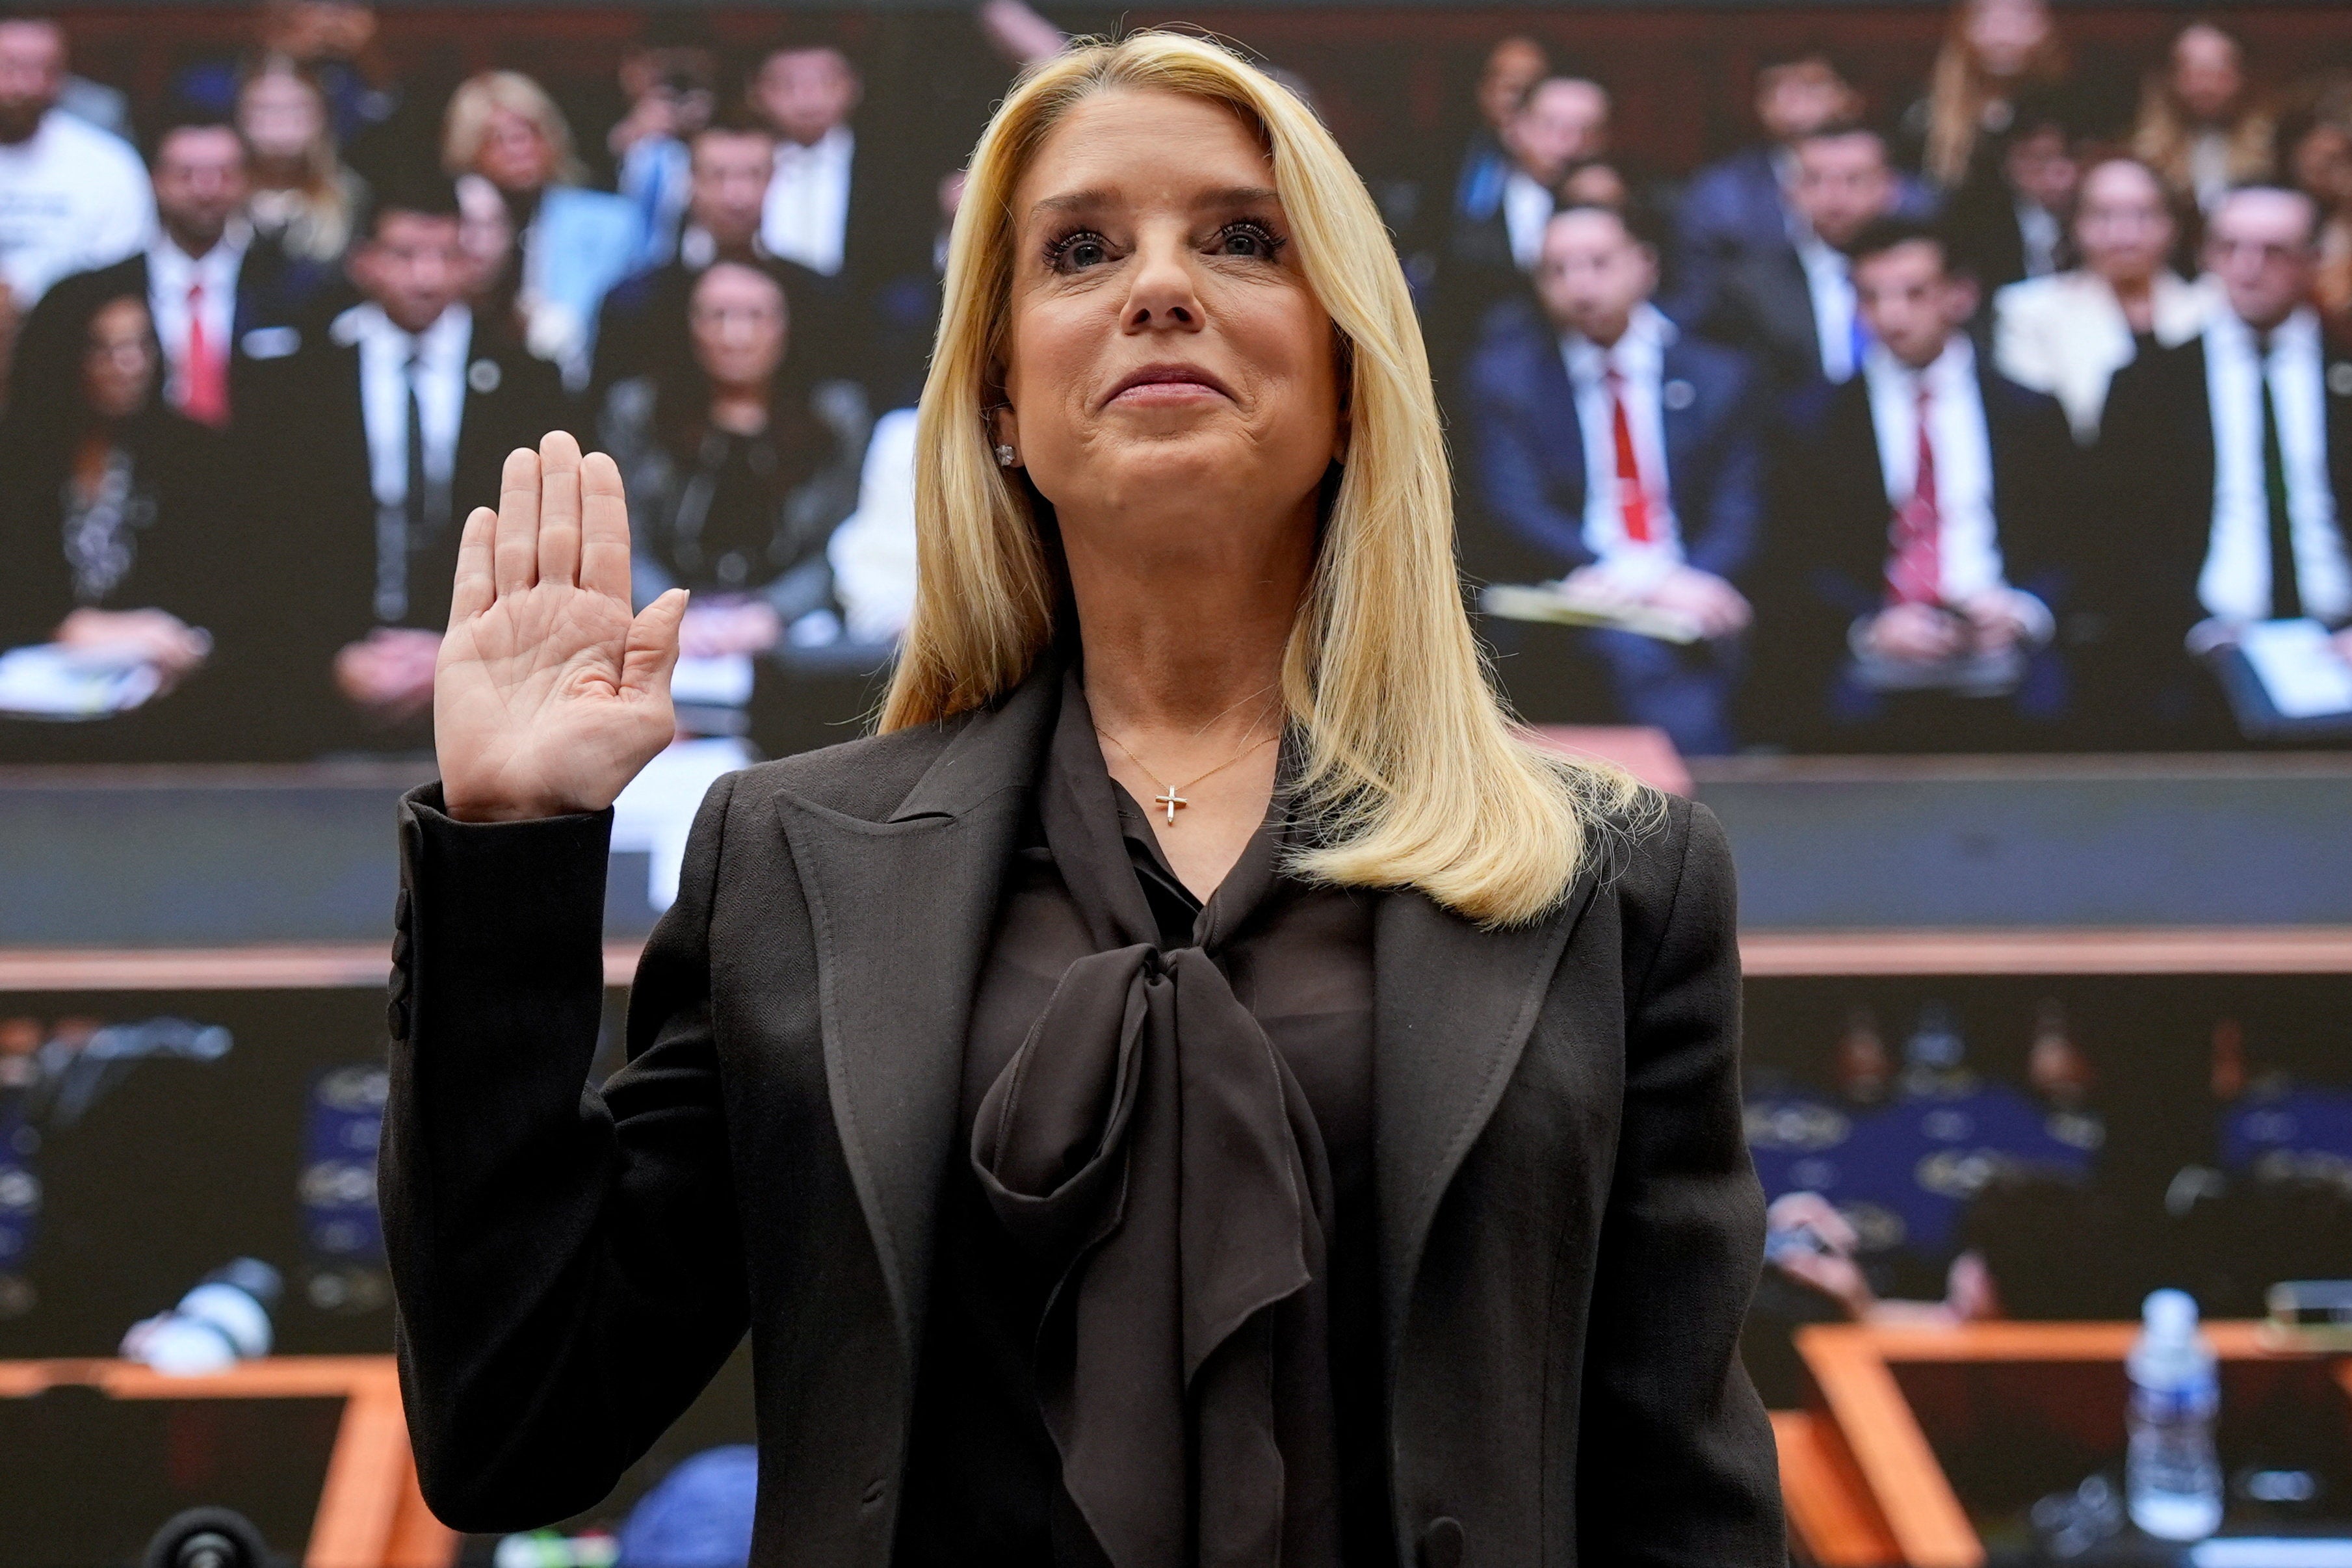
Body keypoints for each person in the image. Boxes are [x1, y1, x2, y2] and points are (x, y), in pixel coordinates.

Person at [381, 31, 1781, 1565]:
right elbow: (516, 1421)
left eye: (1243, 239)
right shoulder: (791, 860)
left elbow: (1683, 1499)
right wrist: (507, 853)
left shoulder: (1610, 876)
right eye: (1080, 248)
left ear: (1347, 365)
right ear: (997, 387)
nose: (1158, 286)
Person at [239, 171, 571, 756]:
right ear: (364, 262)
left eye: (445, 255)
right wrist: (335, 659)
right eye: (404, 254)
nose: (426, 276)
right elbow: (268, 544)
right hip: (325, 690)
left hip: (492, 688)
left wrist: (456, 655)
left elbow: (551, 544)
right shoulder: (299, 383)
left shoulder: (530, 383)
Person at [1751, 218, 2082, 750]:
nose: (1892, 315)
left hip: (2000, 641)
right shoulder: (1813, 420)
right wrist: (1868, 625)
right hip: (1875, 648)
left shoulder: (2027, 413)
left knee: (2063, 703)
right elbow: (1792, 560)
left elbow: (2075, 542)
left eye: (1914, 294)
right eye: (1872, 297)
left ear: (1961, 295)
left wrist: (2023, 611)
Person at [1465, 205, 1762, 755]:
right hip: (1576, 591)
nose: (1579, 286)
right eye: (1557, 270)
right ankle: (1709, 804)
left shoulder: (1718, 374)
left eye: (1599, 263)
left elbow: (1738, 509)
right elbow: (1514, 507)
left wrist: (1692, 581)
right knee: (1631, 658)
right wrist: (1643, 580)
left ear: (1645, 265)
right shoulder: (1507, 377)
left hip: (1696, 589)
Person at [2096, 185, 2352, 745]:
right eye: (2230, 248)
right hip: (2199, 653)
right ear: (2206, 256)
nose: (2248, 269)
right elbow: (2116, 540)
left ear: (2313, 260)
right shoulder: (2149, 385)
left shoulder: (2345, 373)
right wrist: (2196, 631)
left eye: (2273, 252)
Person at [599, 258, 867, 679]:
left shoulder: (833, 418)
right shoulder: (639, 412)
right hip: (667, 623)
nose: (735, 336)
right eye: (717, 316)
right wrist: (672, 616)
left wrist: (774, 613)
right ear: (689, 325)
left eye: (755, 316)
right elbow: (626, 543)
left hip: (790, 631)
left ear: (785, 325)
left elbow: (842, 545)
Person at [0, 289, 229, 755]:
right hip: (29, 711)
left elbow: (220, 592)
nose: (127, 365)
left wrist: (178, 644)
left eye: (139, 346)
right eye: (104, 349)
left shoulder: (192, 455)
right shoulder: (19, 459)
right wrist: (68, 627)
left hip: (158, 705)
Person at [10, 112, 330, 430]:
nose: (206, 190)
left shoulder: (292, 288)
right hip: (138, 466)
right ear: (155, 181)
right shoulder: (92, 295)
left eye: (223, 174)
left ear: (247, 181)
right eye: (186, 174)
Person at [591, 114, 834, 406]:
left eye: (753, 175)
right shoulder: (636, 301)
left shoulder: (818, 296)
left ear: (774, 180)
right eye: (718, 176)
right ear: (690, 181)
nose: (737, 196)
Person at [441, 70, 643, 384]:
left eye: (529, 133)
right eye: (498, 138)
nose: (517, 148)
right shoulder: (453, 226)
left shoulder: (611, 222)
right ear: (469, 149)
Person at [1994, 153, 2212, 441]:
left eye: (2143, 214)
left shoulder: (2210, 307)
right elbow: (2036, 432)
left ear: (2172, 225)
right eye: (2102, 215)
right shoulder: (2028, 312)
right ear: (2075, 224)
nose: (2123, 234)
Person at [1696, 123, 1900, 389]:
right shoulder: (1748, 289)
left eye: (1854, 179)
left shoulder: (1933, 275)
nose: (1835, 198)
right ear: (1790, 191)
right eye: (1815, 180)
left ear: (1889, 187)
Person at [0, 14, 151, 311]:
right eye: (9, 67)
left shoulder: (110, 166)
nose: (24, 86)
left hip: (68, 338)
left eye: (41, 69)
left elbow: (121, 283)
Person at [1903, 0, 2069, 196]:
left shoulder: (2074, 108)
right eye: (1984, 15)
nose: (2003, 33)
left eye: (2022, 15)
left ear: (2049, 24)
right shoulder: (1923, 117)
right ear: (1960, 26)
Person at [1942, 92, 2083, 294]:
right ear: (2009, 164)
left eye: (2067, 156)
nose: (2057, 171)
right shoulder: (1981, 224)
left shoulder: (2092, 211)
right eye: (2040, 159)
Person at [2134, 23, 2273, 215]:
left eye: (2218, 74)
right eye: (2192, 74)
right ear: (2170, 79)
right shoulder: (2142, 154)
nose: (2205, 87)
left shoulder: (2274, 147)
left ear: (2242, 77)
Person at [237, 59, 366, 265]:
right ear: (241, 118)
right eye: (264, 109)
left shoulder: (350, 194)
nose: (280, 122)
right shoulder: (221, 192)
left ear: (321, 117)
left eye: (296, 109)